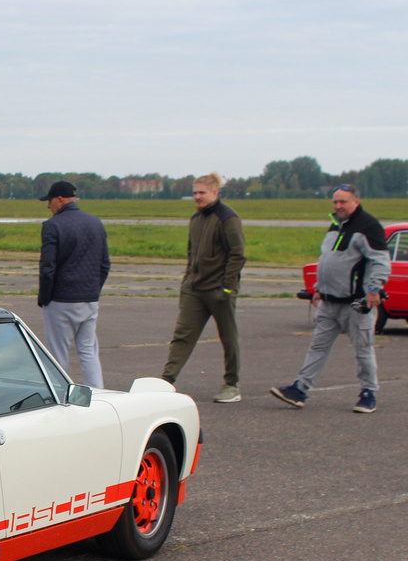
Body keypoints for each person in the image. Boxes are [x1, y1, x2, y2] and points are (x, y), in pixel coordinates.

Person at [271, 185, 390, 413]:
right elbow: (327, 260)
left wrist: (374, 289)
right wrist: (317, 288)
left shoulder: (368, 226)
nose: (338, 206)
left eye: (343, 202)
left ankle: (368, 393)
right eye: (335, 202)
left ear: (356, 201)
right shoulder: (336, 225)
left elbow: (380, 261)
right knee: (317, 347)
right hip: (328, 302)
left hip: (355, 304)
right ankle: (300, 390)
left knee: (363, 349)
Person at [161, 172, 246, 402]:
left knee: (228, 337)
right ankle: (166, 381)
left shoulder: (228, 218)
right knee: (182, 335)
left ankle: (231, 385)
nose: (197, 197)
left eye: (202, 193)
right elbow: (192, 254)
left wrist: (227, 288)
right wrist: (187, 280)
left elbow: (237, 255)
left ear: (215, 193)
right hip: (194, 290)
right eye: (195, 193)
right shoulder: (196, 219)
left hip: (219, 291)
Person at [36, 180, 110, 388]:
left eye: (49, 202)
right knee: (88, 351)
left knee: (58, 354)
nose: (49, 207)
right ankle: (98, 393)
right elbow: (105, 264)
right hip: (89, 298)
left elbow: (47, 267)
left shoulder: (53, 225)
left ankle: (62, 395)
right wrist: (93, 289)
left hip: (61, 299)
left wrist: (45, 297)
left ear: (59, 200)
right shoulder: (96, 222)